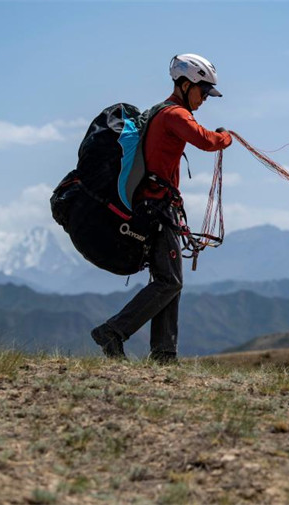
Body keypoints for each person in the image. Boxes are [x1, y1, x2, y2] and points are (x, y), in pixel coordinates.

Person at [90, 54, 232, 362]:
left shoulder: (161, 112)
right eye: (203, 91)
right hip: (157, 208)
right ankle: (113, 331)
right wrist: (225, 138)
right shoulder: (175, 115)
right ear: (185, 84)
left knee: (168, 279)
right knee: (170, 281)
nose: (205, 99)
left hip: (154, 206)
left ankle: (165, 354)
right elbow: (206, 140)